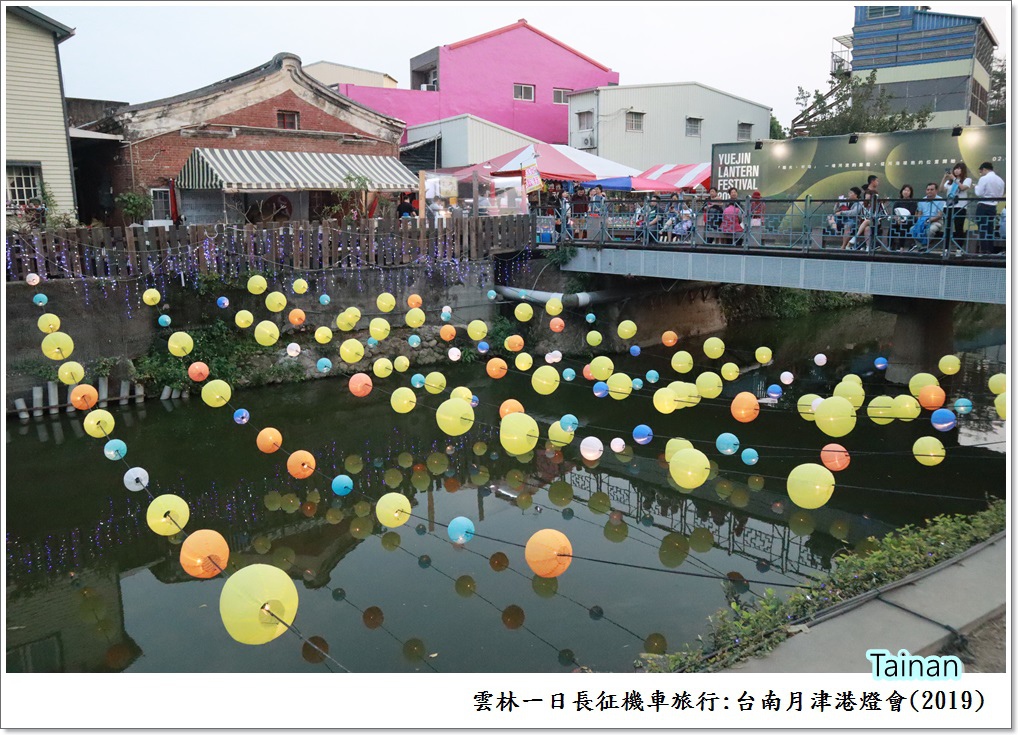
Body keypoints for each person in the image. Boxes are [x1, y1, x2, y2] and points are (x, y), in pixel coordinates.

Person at [973, 161, 1005, 254]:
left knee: (982, 229)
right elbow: (1000, 195)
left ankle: (984, 250)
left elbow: (979, 193)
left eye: (980, 172)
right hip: (993, 206)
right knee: (990, 229)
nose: (981, 174)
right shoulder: (1000, 180)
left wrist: (976, 187)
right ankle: (990, 250)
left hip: (983, 205)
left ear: (984, 169)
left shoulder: (984, 178)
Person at [940, 162, 972, 252]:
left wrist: (954, 178)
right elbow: (941, 190)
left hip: (959, 207)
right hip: (948, 206)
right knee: (947, 228)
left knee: (959, 228)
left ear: (963, 170)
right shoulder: (949, 182)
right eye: (955, 169)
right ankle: (946, 249)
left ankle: (959, 249)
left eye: (959, 169)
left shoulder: (967, 179)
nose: (956, 170)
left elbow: (962, 188)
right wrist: (944, 178)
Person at [913, 182, 946, 249]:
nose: (929, 191)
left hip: (936, 221)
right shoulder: (922, 200)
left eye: (931, 189)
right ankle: (920, 247)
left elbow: (939, 215)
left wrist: (929, 220)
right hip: (923, 220)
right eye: (928, 190)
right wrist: (920, 221)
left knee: (930, 230)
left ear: (936, 191)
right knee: (913, 229)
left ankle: (925, 246)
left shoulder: (941, 200)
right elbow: (920, 213)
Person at [889, 184, 917, 251]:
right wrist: (898, 219)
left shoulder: (913, 202)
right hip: (898, 220)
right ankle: (890, 246)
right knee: (892, 227)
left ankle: (901, 247)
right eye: (904, 190)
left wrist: (903, 220)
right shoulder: (898, 202)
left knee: (903, 226)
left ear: (910, 193)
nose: (906, 192)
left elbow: (912, 213)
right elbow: (894, 213)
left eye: (908, 190)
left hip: (909, 220)